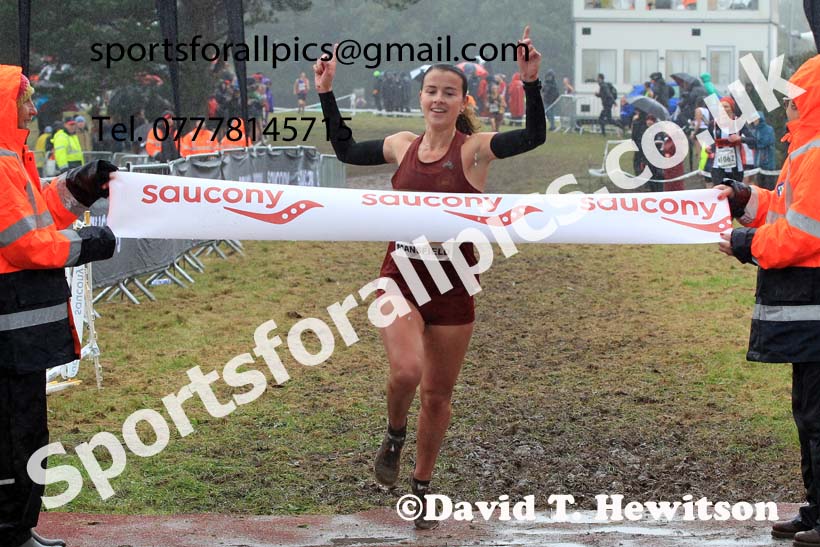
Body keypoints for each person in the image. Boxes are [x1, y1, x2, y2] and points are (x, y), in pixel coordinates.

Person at [315, 27, 545, 530]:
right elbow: (347, 149)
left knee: (438, 395)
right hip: (400, 274)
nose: (438, 99)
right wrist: (327, 92)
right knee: (405, 373)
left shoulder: (476, 150)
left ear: (462, 100)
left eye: (449, 92)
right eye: (431, 91)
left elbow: (533, 138)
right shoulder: (402, 145)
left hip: (455, 282)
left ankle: (420, 486)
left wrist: (530, 83)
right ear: (421, 98)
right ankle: (394, 432)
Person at [0, 65, 117, 547]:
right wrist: (86, 244)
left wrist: (83, 184)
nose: (33, 107)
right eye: (26, 99)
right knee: (16, 433)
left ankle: (15, 526)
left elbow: (40, 210)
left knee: (22, 428)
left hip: (17, 327)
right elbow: (25, 243)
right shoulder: (1, 163)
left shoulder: (12, 158)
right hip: (11, 330)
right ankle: (10, 530)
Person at [716, 54, 820, 547]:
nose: (790, 104)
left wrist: (746, 245)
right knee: (809, 413)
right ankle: (816, 508)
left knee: (819, 415)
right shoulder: (806, 150)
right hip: (806, 311)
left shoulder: (817, 151)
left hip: (814, 304)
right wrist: (747, 201)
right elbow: (787, 209)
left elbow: (802, 235)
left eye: (798, 96)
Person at [709, 96, 756, 188]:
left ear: (731, 108)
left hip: (736, 168)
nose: (723, 109)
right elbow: (707, 139)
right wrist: (709, 147)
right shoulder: (713, 123)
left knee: (734, 195)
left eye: (726, 106)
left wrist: (740, 139)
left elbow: (753, 141)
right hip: (717, 167)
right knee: (719, 193)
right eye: (721, 106)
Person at [751, 110, 777, 190]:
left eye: (756, 119)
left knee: (769, 187)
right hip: (757, 165)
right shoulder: (754, 131)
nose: (754, 121)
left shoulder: (769, 129)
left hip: (768, 164)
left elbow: (765, 142)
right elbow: (752, 145)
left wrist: (754, 142)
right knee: (759, 188)